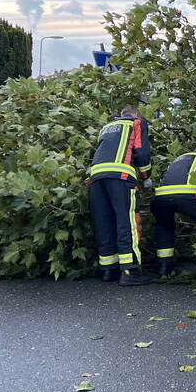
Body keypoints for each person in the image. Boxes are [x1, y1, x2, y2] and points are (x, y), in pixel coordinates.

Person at [88, 105, 152, 286]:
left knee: (104, 221)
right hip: (121, 177)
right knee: (127, 221)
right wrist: (146, 177)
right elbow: (142, 152)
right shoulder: (137, 123)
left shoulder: (106, 127)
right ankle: (130, 271)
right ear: (136, 115)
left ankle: (109, 269)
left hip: (96, 177)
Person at [150, 150, 196, 277]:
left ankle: (164, 268)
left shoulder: (179, 159)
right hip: (190, 195)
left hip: (161, 197)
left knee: (164, 228)